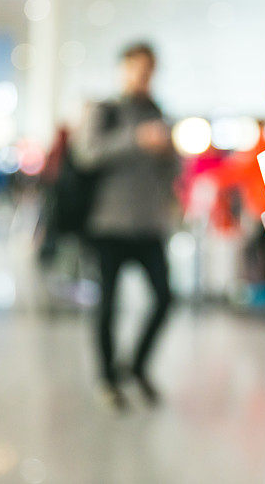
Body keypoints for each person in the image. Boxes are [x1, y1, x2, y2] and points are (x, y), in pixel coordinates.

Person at [74, 42, 179, 411]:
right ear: (123, 69)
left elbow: (173, 170)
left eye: (148, 69)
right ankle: (107, 378)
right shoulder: (106, 110)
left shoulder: (160, 113)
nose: (142, 75)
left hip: (149, 226)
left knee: (166, 298)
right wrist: (136, 139)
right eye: (136, 68)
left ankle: (135, 366)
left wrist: (168, 153)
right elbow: (86, 154)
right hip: (108, 226)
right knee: (107, 305)